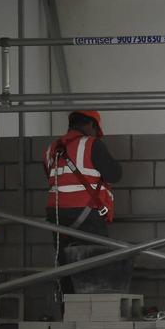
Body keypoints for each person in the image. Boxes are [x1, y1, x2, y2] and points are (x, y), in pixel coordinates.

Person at [43, 110, 122, 293]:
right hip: (86, 214)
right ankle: (93, 307)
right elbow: (115, 175)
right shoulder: (91, 144)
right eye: (96, 130)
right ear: (91, 125)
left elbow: (53, 178)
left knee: (65, 266)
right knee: (95, 263)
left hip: (57, 215)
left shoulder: (51, 149)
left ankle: (67, 307)